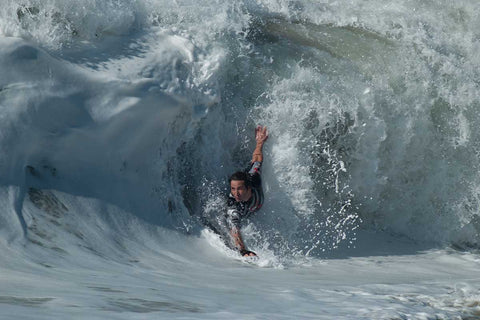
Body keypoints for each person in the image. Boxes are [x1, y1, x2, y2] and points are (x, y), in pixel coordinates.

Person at [226, 125, 268, 257]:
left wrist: (260, 143)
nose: (236, 193)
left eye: (239, 189)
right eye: (233, 189)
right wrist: (243, 250)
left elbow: (257, 159)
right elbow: (235, 230)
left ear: (248, 188)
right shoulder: (234, 204)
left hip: (255, 206)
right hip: (245, 212)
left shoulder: (253, 178)